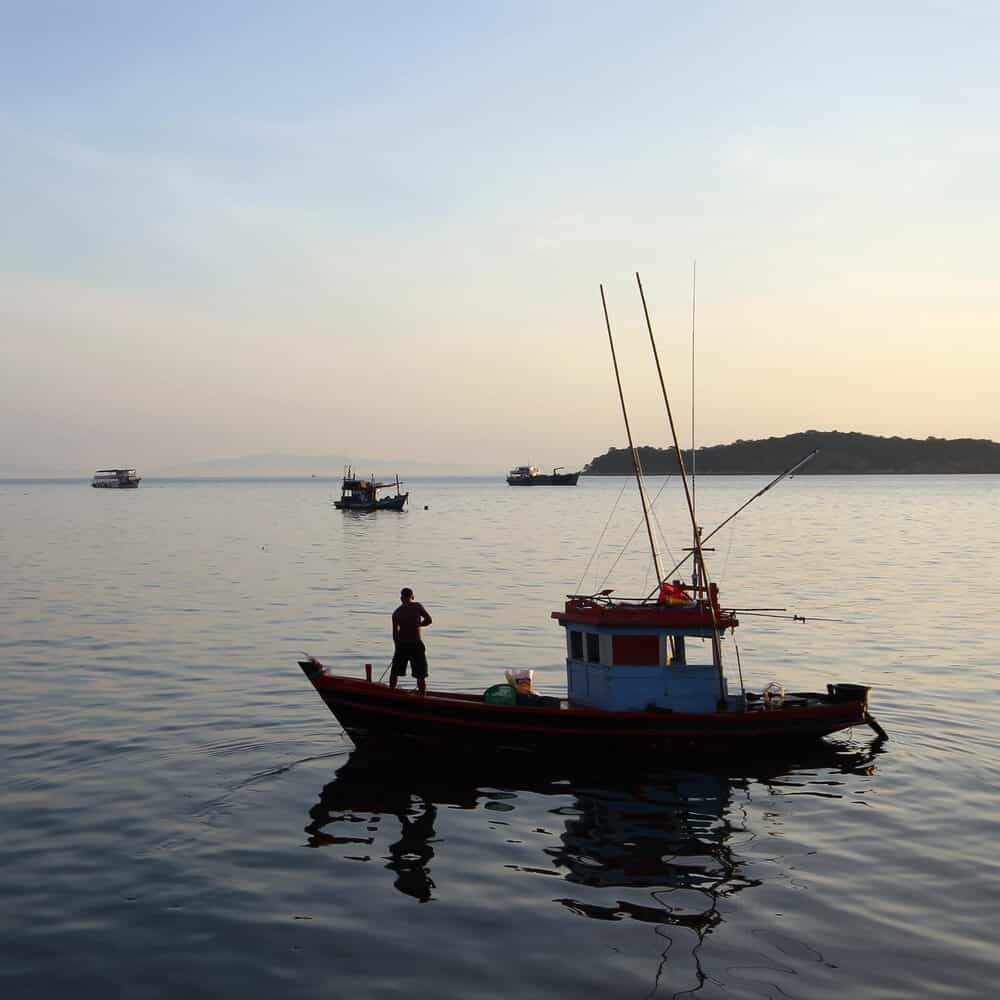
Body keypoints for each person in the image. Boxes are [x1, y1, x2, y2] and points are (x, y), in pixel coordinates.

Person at [390, 587, 432, 694]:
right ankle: (423, 697)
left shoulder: (396, 613)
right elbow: (429, 620)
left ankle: (391, 693)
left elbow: (395, 634)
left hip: (402, 645)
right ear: (412, 596)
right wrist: (418, 624)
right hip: (416, 644)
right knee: (420, 675)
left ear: (401, 598)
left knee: (395, 672)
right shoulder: (417, 606)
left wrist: (397, 647)